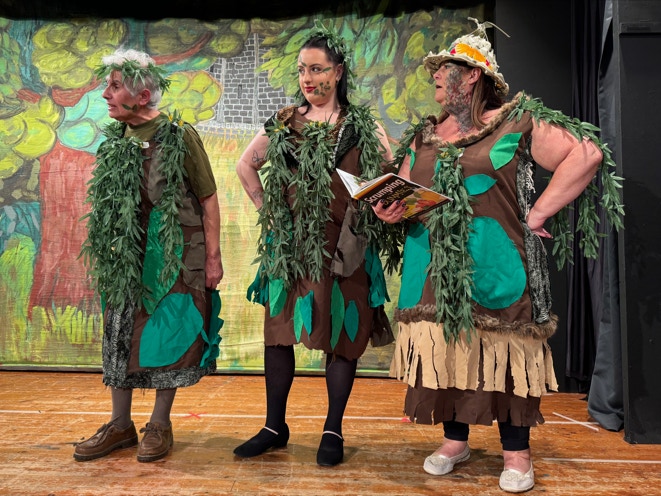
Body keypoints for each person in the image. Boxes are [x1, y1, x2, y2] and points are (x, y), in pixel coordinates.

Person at [376, 18, 623, 493]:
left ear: (472, 76)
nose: (435, 76)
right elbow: (406, 192)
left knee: (506, 353)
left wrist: (539, 212)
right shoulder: (425, 135)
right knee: (446, 349)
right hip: (433, 267)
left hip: (496, 260)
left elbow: (587, 154)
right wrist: (390, 209)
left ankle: (517, 453)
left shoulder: (516, 120)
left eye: (444, 69)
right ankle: (455, 441)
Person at [234, 21, 398, 467]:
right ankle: (274, 426)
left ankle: (332, 429)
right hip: (292, 248)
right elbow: (246, 165)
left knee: (342, 334)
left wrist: (384, 203)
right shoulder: (285, 122)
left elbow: (389, 174)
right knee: (279, 332)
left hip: (346, 246)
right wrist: (269, 211)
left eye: (318, 69)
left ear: (338, 72)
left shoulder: (361, 125)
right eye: (302, 70)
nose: (308, 78)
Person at [75, 48, 224, 463]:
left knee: (167, 329)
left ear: (142, 96)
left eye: (114, 86)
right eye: (108, 85)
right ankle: (119, 425)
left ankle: (159, 425)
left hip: (175, 253)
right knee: (120, 330)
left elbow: (208, 198)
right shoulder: (116, 139)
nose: (105, 94)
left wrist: (213, 258)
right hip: (128, 256)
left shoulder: (178, 136)